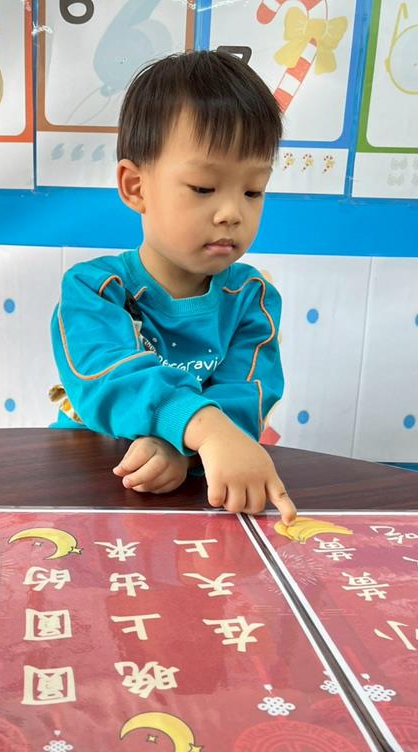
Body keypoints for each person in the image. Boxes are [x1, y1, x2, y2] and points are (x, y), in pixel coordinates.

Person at [49, 50, 296, 523]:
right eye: (203, 187)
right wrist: (203, 430)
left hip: (191, 489)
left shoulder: (252, 298)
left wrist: (183, 452)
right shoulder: (95, 288)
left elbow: (244, 399)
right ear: (135, 187)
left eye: (253, 190)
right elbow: (109, 378)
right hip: (91, 476)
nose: (232, 212)